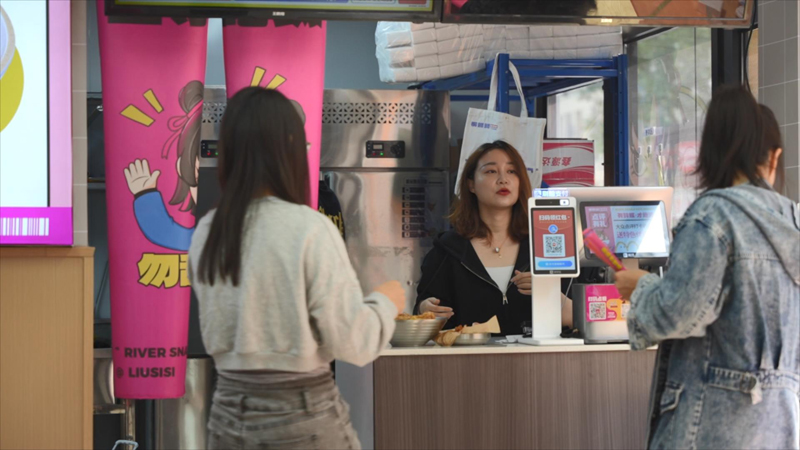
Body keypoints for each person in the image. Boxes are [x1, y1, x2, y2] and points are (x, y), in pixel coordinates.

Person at [188, 87, 405, 450]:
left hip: (228, 413)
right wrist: (385, 302)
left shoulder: (209, 230)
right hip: (301, 415)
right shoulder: (308, 227)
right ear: (288, 149)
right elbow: (353, 343)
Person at [615, 86, 799, 450]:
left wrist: (642, 287)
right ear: (774, 157)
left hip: (711, 421)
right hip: (780, 423)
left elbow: (675, 315)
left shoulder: (713, 217)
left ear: (709, 151)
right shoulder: (794, 220)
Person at [414, 140, 534, 335]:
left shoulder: (542, 245)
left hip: (535, 354)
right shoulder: (448, 249)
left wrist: (549, 293)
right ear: (471, 184)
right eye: (491, 171)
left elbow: (575, 317)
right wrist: (424, 310)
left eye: (512, 171)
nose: (503, 179)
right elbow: (423, 312)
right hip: (469, 353)